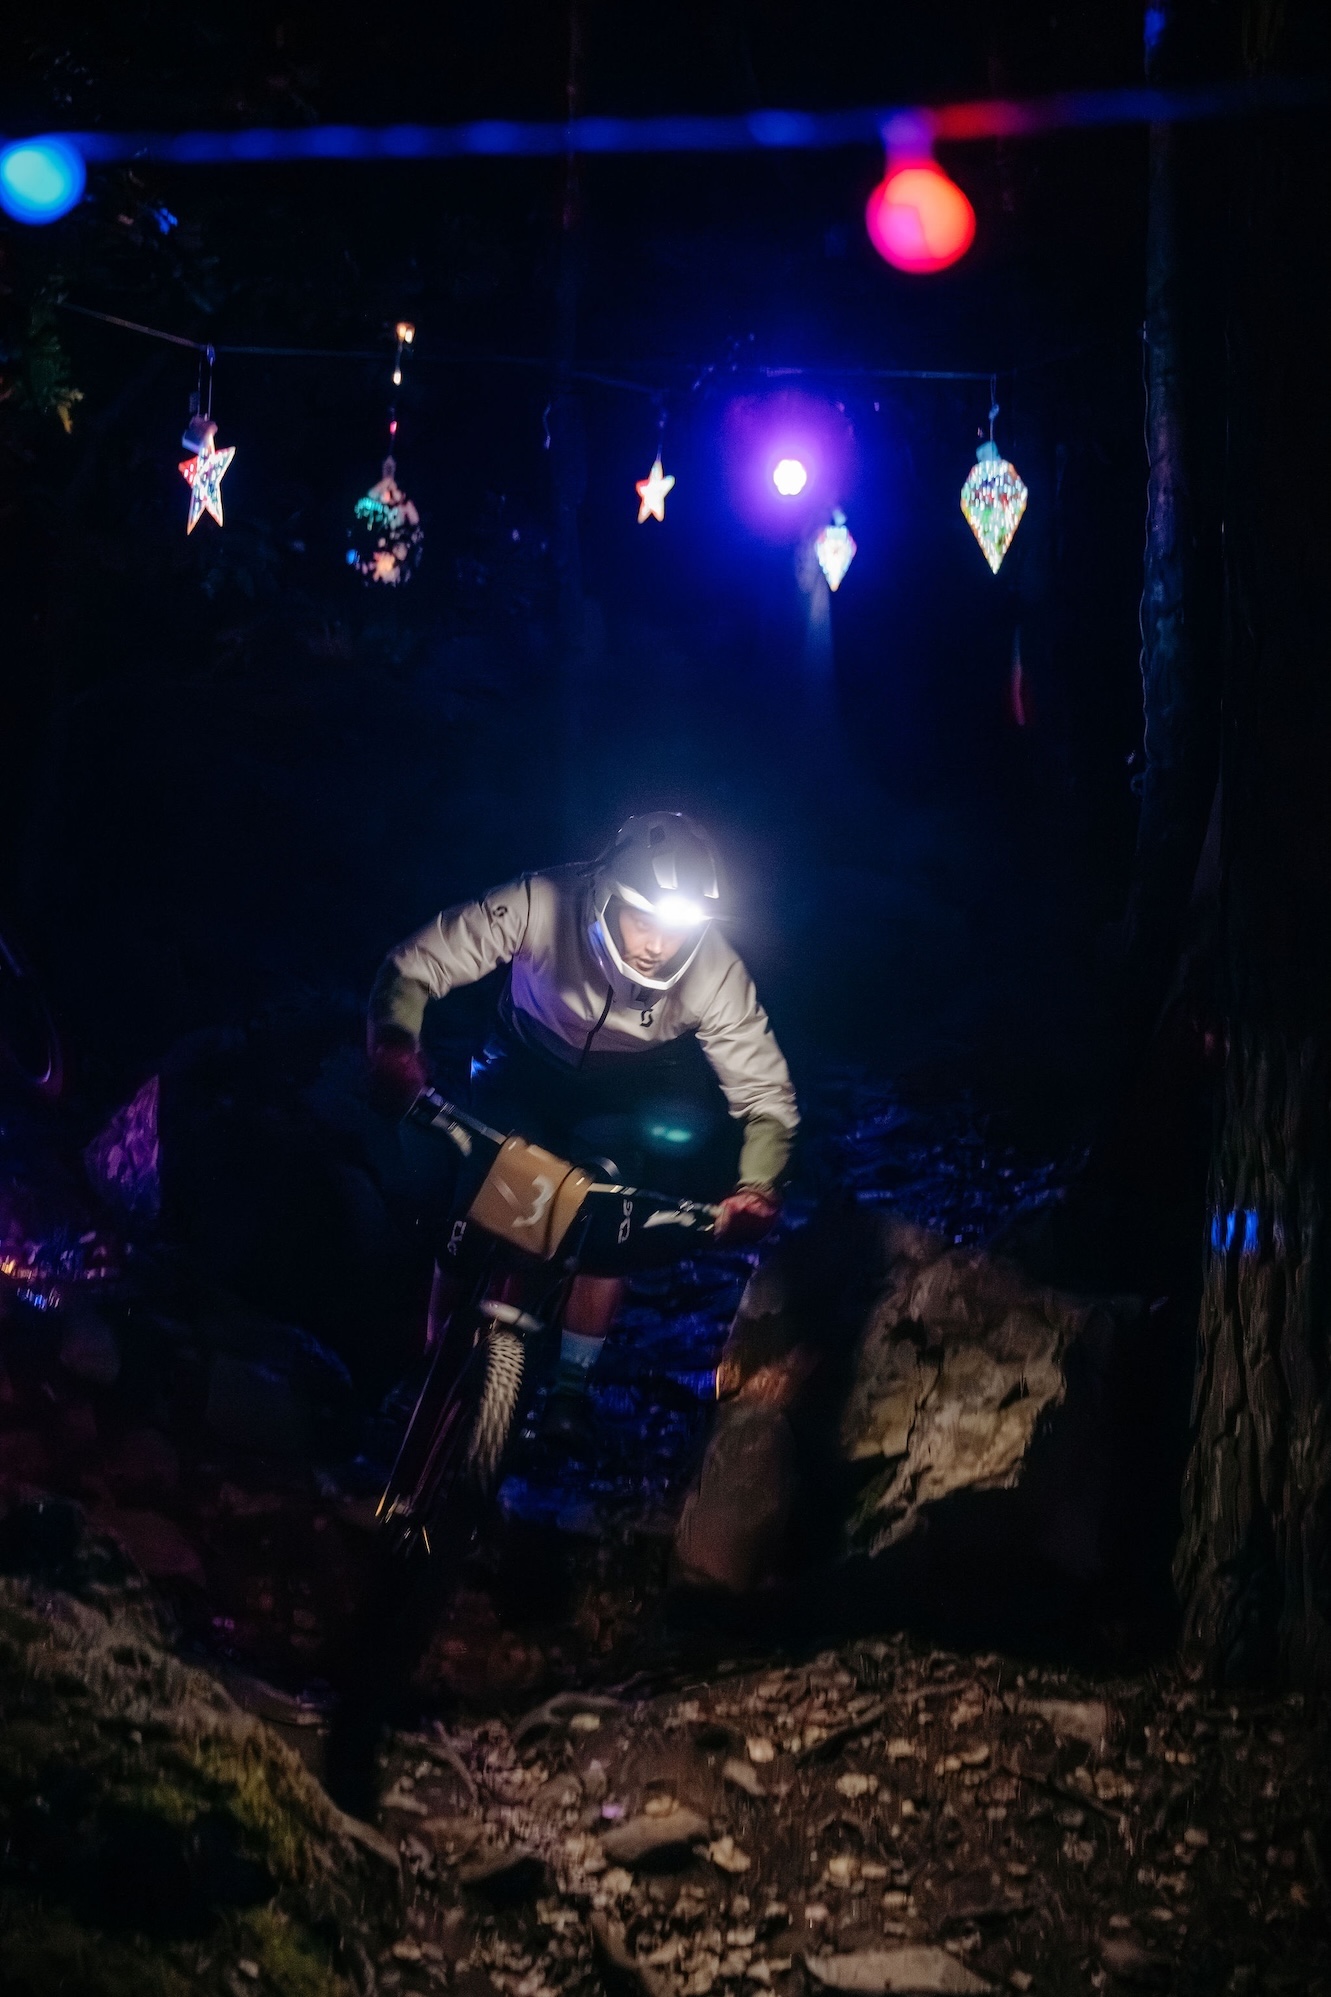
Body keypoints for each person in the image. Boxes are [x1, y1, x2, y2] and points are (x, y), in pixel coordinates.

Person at [367, 812, 799, 1448]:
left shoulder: (714, 970)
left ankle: (572, 1388)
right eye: (641, 919)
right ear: (605, 896)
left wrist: (758, 1184)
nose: (656, 944)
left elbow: (764, 1090)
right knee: (473, 1206)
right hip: (519, 1068)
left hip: (620, 1095)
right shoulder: (543, 901)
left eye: (674, 930)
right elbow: (417, 963)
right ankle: (433, 1360)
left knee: (611, 1225)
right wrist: (395, 1045)